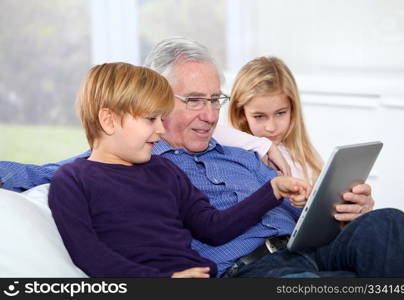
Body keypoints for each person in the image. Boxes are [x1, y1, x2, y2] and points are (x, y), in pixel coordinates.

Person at [1, 37, 404, 277]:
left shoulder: (245, 154)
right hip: (250, 269)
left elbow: (291, 211)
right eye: (194, 100)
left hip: (307, 246)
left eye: (215, 99)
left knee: (388, 225)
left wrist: (341, 211)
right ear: (157, 100)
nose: (210, 114)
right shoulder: (130, 164)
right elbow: (38, 173)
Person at [48, 62, 310, 278]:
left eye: (162, 119)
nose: (161, 130)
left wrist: (272, 190)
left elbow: (214, 228)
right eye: (151, 119)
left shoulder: (164, 170)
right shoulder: (72, 180)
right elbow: (90, 256)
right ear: (109, 121)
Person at [226, 56, 321, 184]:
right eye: (259, 116)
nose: (271, 127)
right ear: (241, 114)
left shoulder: (307, 158)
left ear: (292, 109)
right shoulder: (236, 156)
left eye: (280, 113)